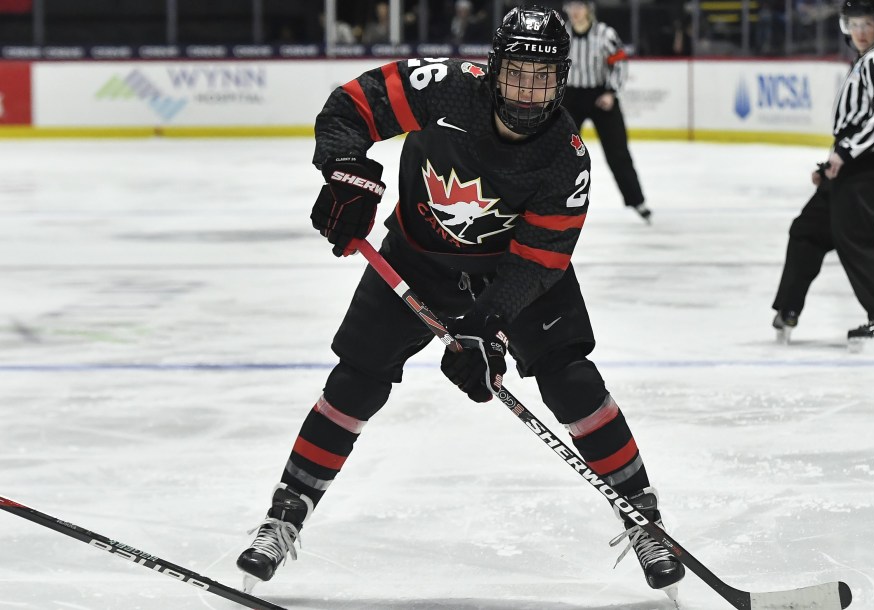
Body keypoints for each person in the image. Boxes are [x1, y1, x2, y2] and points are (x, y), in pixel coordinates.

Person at [234, 4, 686, 601]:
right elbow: (351, 106)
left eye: (543, 77)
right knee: (356, 381)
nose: (528, 92)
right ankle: (284, 515)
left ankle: (642, 518)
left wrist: (487, 327)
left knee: (571, 379)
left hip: (510, 273)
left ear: (563, 81)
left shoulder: (566, 156)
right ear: (493, 69)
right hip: (416, 258)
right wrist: (347, 174)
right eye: (516, 73)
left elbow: (540, 259)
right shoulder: (445, 88)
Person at [771, 0, 874, 347]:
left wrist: (845, 154)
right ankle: (788, 308)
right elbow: (854, 124)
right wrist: (832, 163)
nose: (860, 32)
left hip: (867, 164)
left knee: (855, 237)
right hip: (850, 164)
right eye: (853, 25)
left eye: (867, 24)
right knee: (808, 230)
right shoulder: (863, 62)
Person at [561, 0, 651, 223]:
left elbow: (619, 63)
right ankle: (554, 200)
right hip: (571, 97)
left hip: (601, 96)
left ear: (589, 9)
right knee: (560, 151)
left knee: (618, 152)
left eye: (579, 6)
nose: (575, 11)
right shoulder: (560, 33)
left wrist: (611, 92)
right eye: (571, 6)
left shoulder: (605, 34)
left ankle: (636, 200)